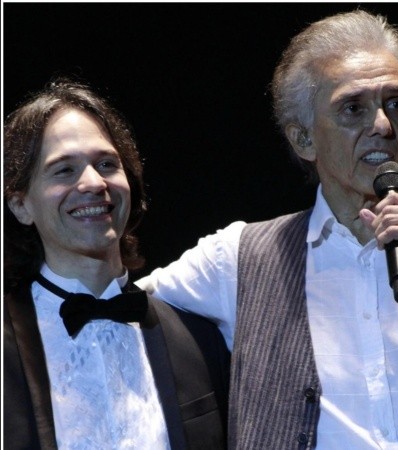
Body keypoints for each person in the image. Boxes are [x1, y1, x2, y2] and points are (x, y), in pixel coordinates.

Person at [137, 10, 398, 449]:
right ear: (303, 140)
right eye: (353, 108)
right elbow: (112, 310)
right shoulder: (239, 257)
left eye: (396, 103)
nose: (382, 126)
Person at [3, 79, 230, 449]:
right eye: (64, 170)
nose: (93, 182)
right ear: (21, 205)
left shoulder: (197, 337)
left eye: (107, 164)